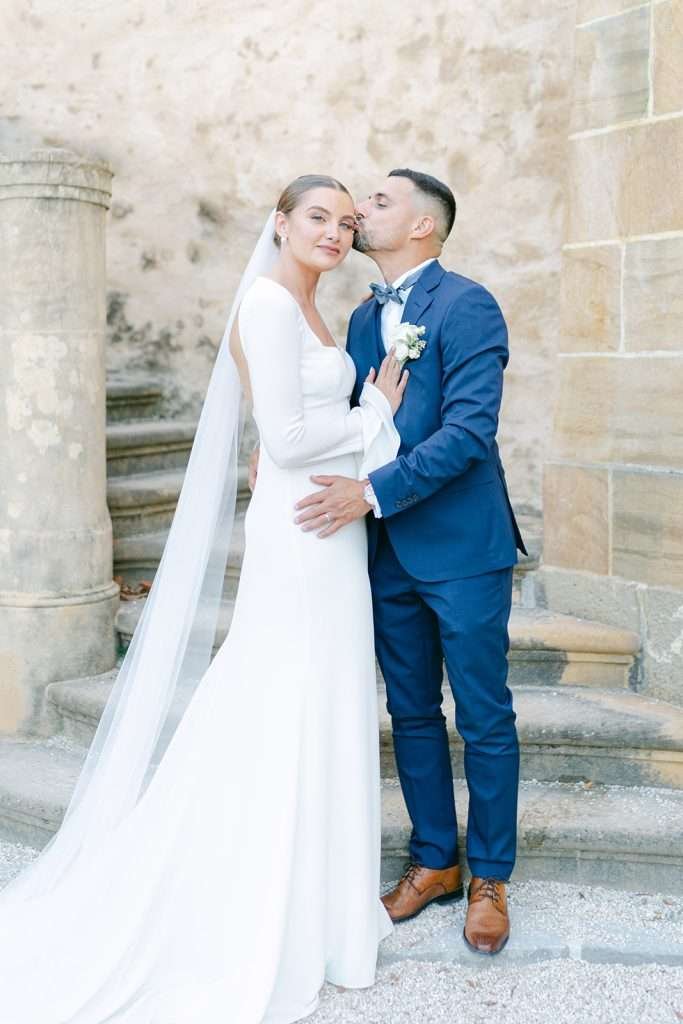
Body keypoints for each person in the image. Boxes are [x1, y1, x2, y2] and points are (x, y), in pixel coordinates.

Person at [0, 175, 406, 1023]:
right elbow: (289, 439)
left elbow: (280, 428)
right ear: (281, 225)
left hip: (321, 530)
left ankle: (321, 901)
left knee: (318, 697)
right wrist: (373, 412)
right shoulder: (266, 302)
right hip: (301, 536)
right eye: (316, 219)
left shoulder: (305, 303)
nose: (334, 233)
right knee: (284, 693)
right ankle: (260, 901)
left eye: (344, 221)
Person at [290, 168, 528, 955]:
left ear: (424, 225)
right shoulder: (362, 319)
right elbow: (353, 421)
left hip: (461, 547)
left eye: (380, 201)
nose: (360, 210)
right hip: (385, 552)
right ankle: (435, 860)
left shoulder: (467, 305)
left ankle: (490, 873)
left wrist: (370, 493)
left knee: (483, 714)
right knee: (412, 712)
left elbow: (467, 435)